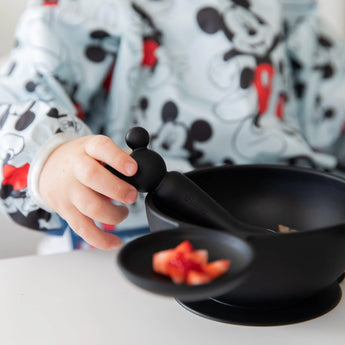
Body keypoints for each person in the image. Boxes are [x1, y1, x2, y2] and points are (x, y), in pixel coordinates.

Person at [1, 0, 345, 253]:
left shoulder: (285, 10)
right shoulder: (76, 12)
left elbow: (333, 100)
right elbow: (14, 111)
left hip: (291, 227)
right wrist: (54, 157)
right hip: (130, 241)